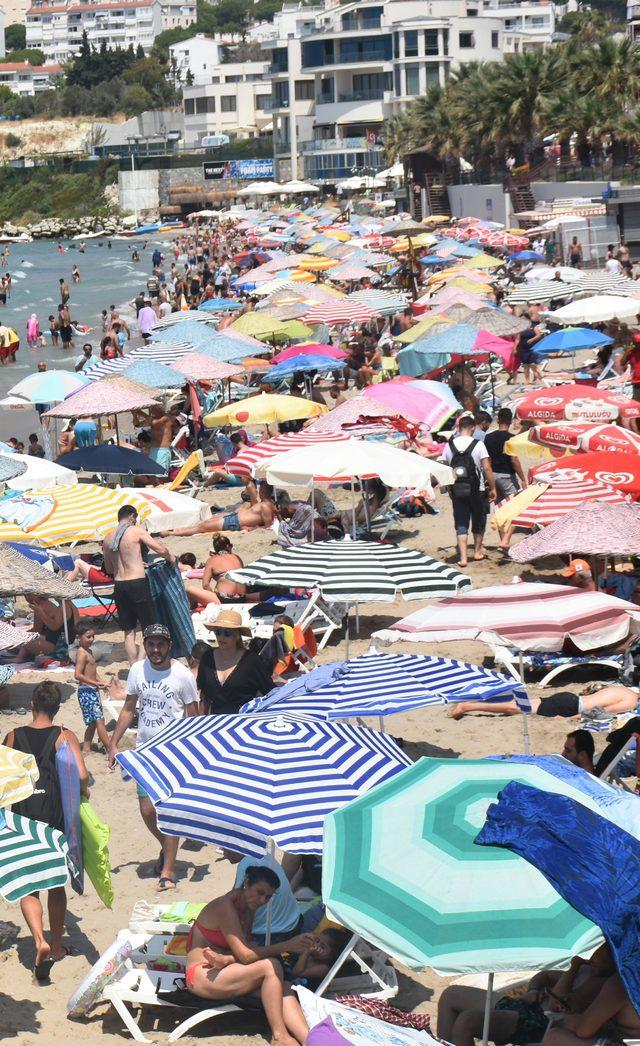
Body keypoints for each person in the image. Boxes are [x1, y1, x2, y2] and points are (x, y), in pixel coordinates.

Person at [4, 681, 89, 981]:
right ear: (56, 707)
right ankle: (55, 947)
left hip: (22, 821)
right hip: (54, 820)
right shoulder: (64, 735)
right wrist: (86, 788)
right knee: (56, 884)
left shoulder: (12, 736)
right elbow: (80, 775)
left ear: (32, 704)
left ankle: (38, 939)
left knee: (30, 884)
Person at [108, 624, 199, 891]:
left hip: (173, 753)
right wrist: (113, 743)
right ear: (144, 645)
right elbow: (128, 708)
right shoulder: (137, 669)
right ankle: (167, 847)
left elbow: (193, 716)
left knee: (168, 811)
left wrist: (192, 752)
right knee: (147, 810)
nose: (156, 650)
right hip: (144, 750)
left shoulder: (182, 675)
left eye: (160, 644)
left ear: (169, 645)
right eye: (151, 645)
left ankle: (167, 871)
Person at [184, 865, 310, 1045]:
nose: (262, 900)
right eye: (259, 892)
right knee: (271, 966)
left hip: (223, 971)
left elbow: (244, 952)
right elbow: (246, 955)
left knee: (284, 986)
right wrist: (288, 945)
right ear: (246, 884)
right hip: (199, 975)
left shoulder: (247, 909)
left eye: (268, 897)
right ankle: (280, 1036)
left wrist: (227, 958)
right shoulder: (225, 906)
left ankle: (310, 1040)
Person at [438, 944, 616, 1046]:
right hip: (526, 1007)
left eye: (602, 957)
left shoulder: (605, 985)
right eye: (596, 954)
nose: (595, 959)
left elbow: (558, 997)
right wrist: (533, 990)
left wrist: (574, 966)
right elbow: (543, 975)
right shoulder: (587, 970)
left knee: (467, 1021)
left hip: (539, 1024)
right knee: (450, 995)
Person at [102, 504, 174, 664]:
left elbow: (108, 568)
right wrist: (171, 559)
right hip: (137, 583)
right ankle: (142, 664)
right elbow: (160, 549)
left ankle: (133, 666)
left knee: (129, 632)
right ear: (132, 516)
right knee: (148, 628)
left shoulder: (108, 537)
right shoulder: (136, 531)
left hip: (119, 585)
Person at [440, 414, 497, 567]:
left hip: (457, 490)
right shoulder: (478, 445)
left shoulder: (449, 445)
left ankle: (463, 557)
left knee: (461, 522)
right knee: (479, 520)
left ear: (459, 428)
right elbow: (486, 468)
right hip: (477, 489)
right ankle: (478, 552)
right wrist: (492, 487)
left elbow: (443, 469)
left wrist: (448, 489)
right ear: (472, 427)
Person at [197, 609, 274, 714]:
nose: (221, 637)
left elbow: (270, 692)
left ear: (237, 636)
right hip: (215, 723)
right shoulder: (207, 658)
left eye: (227, 633)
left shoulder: (251, 660)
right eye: (218, 632)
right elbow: (204, 696)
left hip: (244, 722)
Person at [224, 849, 303, 945]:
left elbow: (234, 904)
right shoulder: (263, 853)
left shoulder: (247, 863)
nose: (224, 852)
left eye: (226, 849)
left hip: (272, 934)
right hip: (295, 922)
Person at [170, 481, 279, 537]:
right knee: (205, 523)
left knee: (202, 527)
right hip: (234, 519)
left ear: (264, 492)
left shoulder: (265, 506)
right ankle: (175, 530)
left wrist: (252, 528)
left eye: (261, 490)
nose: (259, 491)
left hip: (234, 523)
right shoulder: (265, 503)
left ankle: (172, 533)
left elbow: (268, 524)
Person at [74, 620, 111, 755]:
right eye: (88, 637)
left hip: (91, 690)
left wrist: (101, 683)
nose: (91, 639)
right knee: (100, 721)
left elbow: (92, 671)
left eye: (93, 636)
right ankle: (110, 749)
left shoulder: (88, 650)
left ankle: (86, 748)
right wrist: (94, 683)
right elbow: (77, 675)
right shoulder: (82, 653)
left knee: (93, 722)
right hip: (86, 691)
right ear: (78, 637)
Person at [10, 595, 78, 662]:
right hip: (66, 643)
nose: (27, 598)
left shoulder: (62, 607)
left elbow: (53, 627)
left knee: (25, 639)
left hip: (59, 646)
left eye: (29, 595)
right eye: (25, 596)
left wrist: (40, 612)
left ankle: (20, 658)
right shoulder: (72, 606)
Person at [184, 535, 246, 606]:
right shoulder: (237, 557)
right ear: (228, 546)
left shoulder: (211, 560)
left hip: (224, 600)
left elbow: (205, 585)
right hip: (242, 598)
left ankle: (193, 608)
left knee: (189, 590)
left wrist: (213, 594)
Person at [484, 408, 527, 502]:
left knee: (499, 506)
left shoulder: (488, 437)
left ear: (498, 420)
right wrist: (523, 479)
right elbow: (514, 460)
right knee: (515, 503)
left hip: (493, 475)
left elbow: (487, 460)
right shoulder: (511, 438)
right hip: (507, 476)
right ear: (511, 421)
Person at [133, 404, 174, 473]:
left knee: (161, 474)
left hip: (163, 450)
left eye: (153, 408)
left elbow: (154, 423)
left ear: (160, 409)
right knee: (153, 474)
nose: (152, 411)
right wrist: (134, 415)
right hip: (153, 449)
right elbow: (137, 425)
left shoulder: (166, 418)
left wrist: (141, 413)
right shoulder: (153, 419)